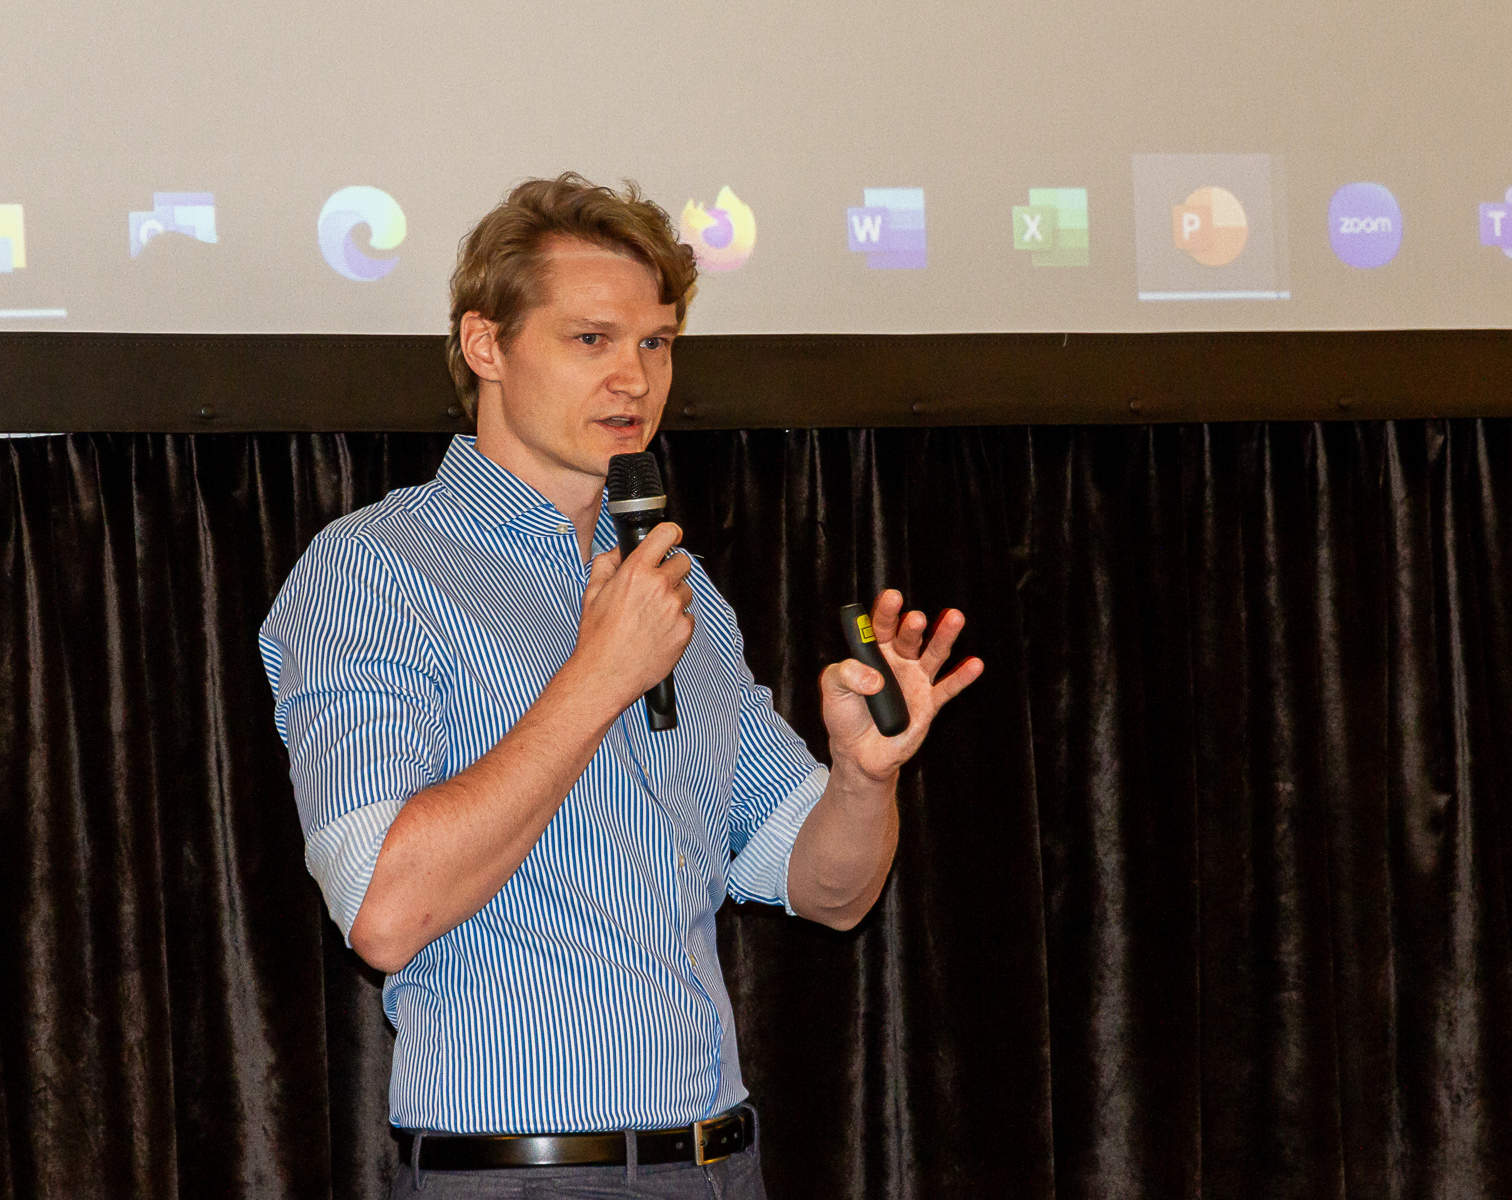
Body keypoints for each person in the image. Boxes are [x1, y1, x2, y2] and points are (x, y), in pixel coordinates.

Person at [258, 173, 982, 1198]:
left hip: (721, 1162)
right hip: (528, 1177)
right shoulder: (376, 569)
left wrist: (865, 778)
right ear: (485, 346)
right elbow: (384, 907)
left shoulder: (682, 595)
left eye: (657, 342)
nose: (636, 379)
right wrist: (600, 675)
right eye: (591, 340)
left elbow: (831, 892)